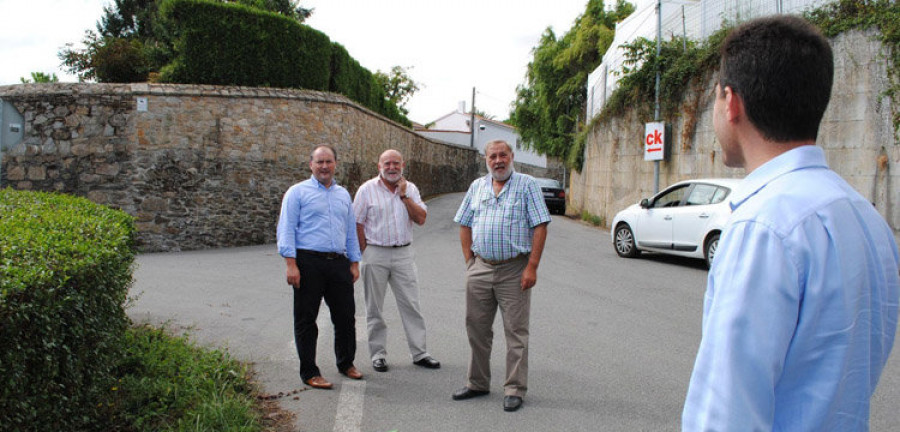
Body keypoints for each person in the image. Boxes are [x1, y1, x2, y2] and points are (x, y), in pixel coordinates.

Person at [682, 16, 899, 431]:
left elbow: (726, 413)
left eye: (714, 99)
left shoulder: (763, 227)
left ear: (732, 103)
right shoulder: (868, 220)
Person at [451, 139, 551, 412]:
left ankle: (514, 388)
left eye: (502, 155)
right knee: (476, 329)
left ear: (512, 156)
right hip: (480, 267)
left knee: (516, 332)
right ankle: (477, 383)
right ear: (486, 160)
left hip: (514, 269)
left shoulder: (527, 185)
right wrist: (469, 261)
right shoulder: (477, 186)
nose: (498, 160)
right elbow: (464, 223)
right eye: (492, 156)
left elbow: (540, 225)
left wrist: (532, 266)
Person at [276, 145, 364, 390]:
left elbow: (350, 231)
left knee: (346, 317)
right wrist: (290, 264)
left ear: (336, 163)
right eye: (319, 162)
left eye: (328, 161)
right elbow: (286, 229)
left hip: (338, 263)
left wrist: (354, 262)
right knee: (306, 319)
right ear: (310, 164)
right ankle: (310, 372)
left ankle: (346, 363)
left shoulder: (343, 194)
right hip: (308, 262)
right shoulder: (297, 193)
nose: (324, 166)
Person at [353, 149, 441, 372]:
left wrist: (404, 196)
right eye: (387, 163)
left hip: (403, 253)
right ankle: (378, 355)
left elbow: (421, 218)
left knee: (412, 305)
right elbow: (357, 224)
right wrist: (364, 253)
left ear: (403, 165)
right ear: (379, 166)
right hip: (375, 252)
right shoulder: (366, 190)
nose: (391, 167)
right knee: (374, 308)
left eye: (396, 163)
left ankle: (420, 353)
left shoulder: (410, 189)